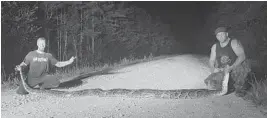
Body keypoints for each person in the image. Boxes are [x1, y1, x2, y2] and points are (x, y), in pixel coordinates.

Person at [208, 27, 251, 97]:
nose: (220, 37)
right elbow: (211, 60)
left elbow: (242, 56)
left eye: (222, 34)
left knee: (242, 67)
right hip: (223, 70)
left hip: (234, 68)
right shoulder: (215, 46)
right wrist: (213, 69)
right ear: (216, 37)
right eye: (218, 35)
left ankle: (240, 88)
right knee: (211, 83)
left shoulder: (234, 42)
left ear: (227, 34)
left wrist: (231, 67)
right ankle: (230, 85)